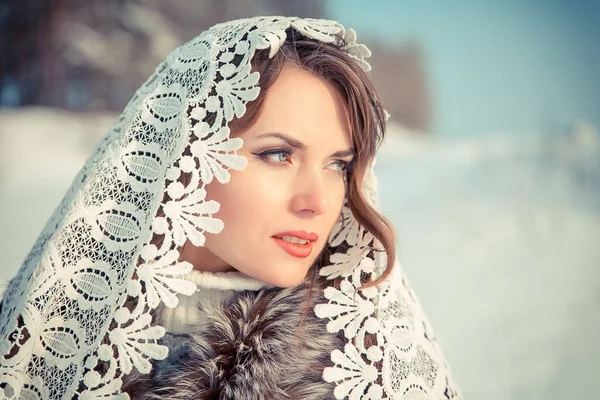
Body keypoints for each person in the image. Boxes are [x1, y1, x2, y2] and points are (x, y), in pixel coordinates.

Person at [0, 16, 461, 399]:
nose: (319, 202)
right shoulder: (41, 342)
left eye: (338, 165)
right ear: (186, 155)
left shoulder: (365, 368)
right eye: (278, 154)